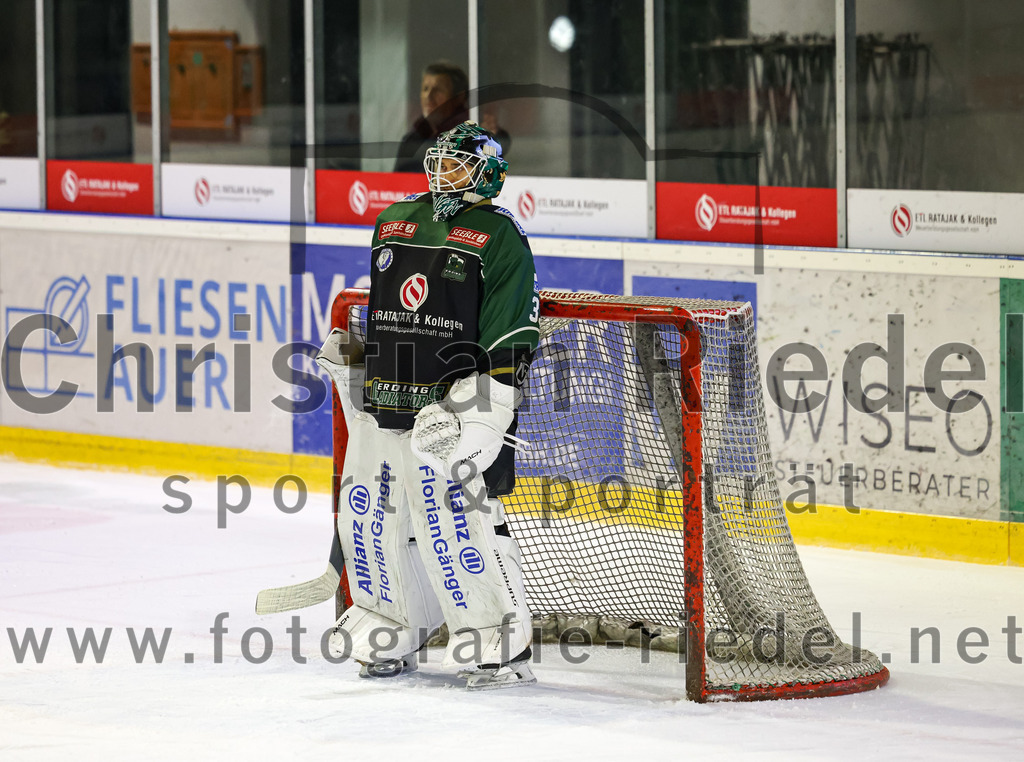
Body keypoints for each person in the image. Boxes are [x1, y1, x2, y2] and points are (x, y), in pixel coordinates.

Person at [317, 120, 539, 690]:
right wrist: (360, 362)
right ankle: (387, 624)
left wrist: (482, 406)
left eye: (460, 163)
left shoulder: (499, 236)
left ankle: (495, 637)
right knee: (369, 515)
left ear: (489, 175)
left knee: (459, 518)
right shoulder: (394, 220)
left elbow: (508, 334)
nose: (445, 171)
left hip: (455, 407)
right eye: (440, 159)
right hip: (389, 398)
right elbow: (388, 308)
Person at [393, 61, 511, 172]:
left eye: (438, 90)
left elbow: (499, 148)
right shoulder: (412, 139)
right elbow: (397, 185)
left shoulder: (472, 134)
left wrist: (494, 136)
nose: (429, 96)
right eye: (425, 89)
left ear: (459, 97)